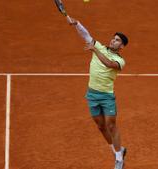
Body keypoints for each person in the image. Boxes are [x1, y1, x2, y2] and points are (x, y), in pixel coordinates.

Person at [66, 16, 128, 169]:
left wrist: (94, 49)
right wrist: (77, 24)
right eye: (114, 38)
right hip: (92, 95)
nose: (114, 41)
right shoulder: (100, 47)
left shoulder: (120, 61)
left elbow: (108, 63)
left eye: (118, 40)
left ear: (122, 47)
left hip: (107, 96)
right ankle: (116, 150)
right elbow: (86, 35)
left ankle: (119, 159)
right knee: (101, 126)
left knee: (111, 125)